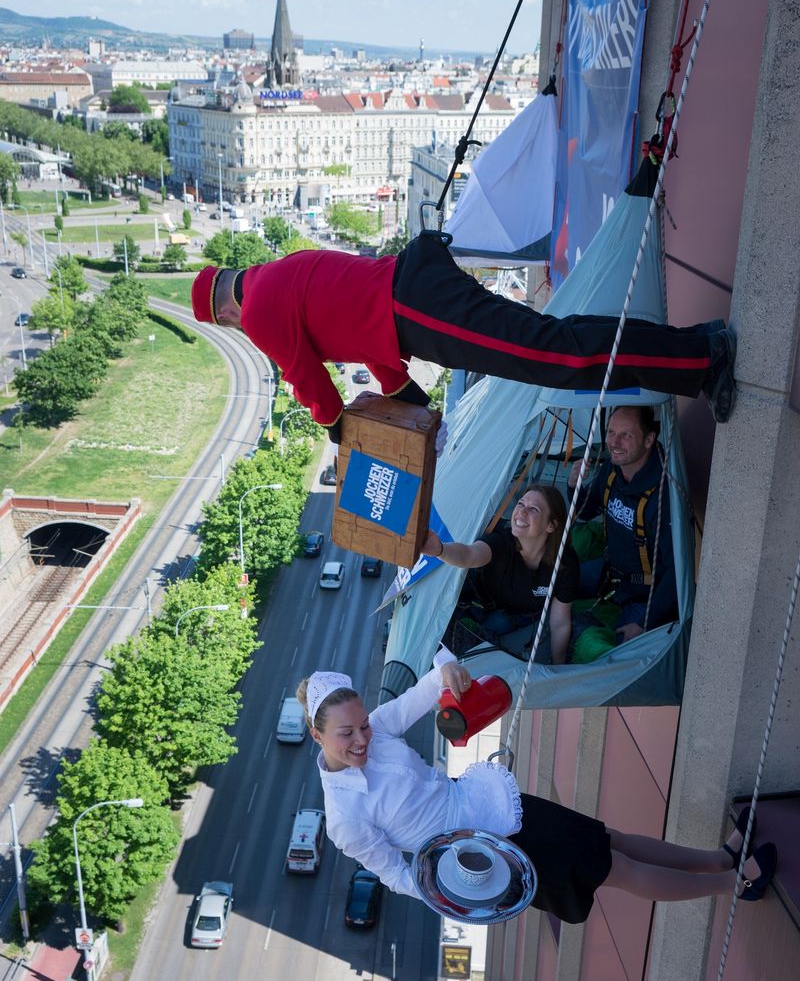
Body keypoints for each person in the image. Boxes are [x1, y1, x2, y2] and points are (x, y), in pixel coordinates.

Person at [299, 657, 777, 923]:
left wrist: (447, 675)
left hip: (493, 805)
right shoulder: (344, 819)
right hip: (486, 857)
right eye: (348, 734)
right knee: (615, 868)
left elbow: (425, 689)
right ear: (318, 736)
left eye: (362, 725)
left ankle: (718, 860)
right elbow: (399, 876)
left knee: (611, 841)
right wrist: (467, 896)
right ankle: (734, 885)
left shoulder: (377, 727)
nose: (363, 738)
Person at [190, 232, 738, 442]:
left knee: (556, 355)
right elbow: (360, 323)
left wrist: (337, 429)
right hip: (413, 298)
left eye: (227, 323)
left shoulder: (259, 311)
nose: (238, 329)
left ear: (224, 310)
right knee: (556, 343)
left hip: (417, 309)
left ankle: (702, 356)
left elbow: (307, 381)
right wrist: (406, 397)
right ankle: (695, 347)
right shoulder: (277, 273)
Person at [422, 485, 578, 664]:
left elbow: (560, 622)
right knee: (490, 629)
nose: (521, 512)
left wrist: (558, 666)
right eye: (520, 504)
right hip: (479, 608)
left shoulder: (564, 563)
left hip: (522, 616)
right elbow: (469, 555)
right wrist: (440, 550)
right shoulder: (501, 540)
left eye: (533, 509)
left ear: (551, 525)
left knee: (505, 627)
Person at [568, 406, 676, 643]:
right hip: (611, 573)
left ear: (649, 440)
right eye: (610, 432)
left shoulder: (663, 494)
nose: (614, 442)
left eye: (626, 435)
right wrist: (575, 487)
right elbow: (587, 511)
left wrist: (644, 623)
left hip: (644, 594)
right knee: (555, 584)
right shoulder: (612, 469)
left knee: (613, 649)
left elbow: (674, 572)